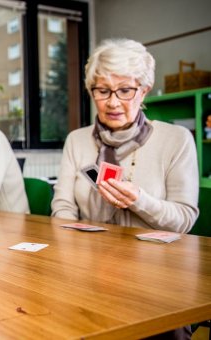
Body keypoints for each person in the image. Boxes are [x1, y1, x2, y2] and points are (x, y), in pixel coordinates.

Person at [51, 38, 199, 236]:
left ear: (144, 91)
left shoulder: (177, 139)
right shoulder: (76, 140)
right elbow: (63, 208)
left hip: (152, 261)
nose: (113, 102)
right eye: (103, 91)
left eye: (125, 90)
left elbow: (184, 220)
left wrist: (139, 200)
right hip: (89, 253)